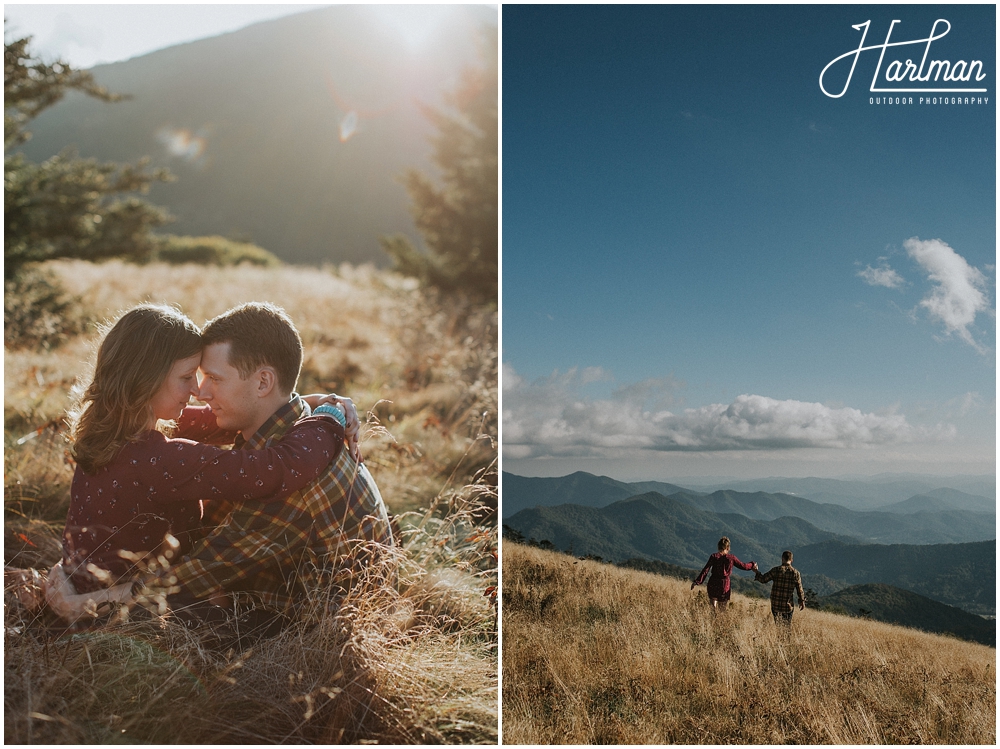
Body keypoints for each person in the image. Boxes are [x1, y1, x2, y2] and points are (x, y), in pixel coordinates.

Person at [48, 302, 393, 636]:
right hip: (234, 581)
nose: (200, 392)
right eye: (192, 377)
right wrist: (324, 408)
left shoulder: (294, 473)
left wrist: (83, 601)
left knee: (187, 612)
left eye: (213, 377)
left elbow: (190, 579)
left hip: (311, 628)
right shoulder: (285, 431)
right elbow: (226, 441)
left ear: (262, 383)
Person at [691, 536, 755, 613]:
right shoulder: (731, 558)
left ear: (718, 547)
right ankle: (720, 623)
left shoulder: (714, 556)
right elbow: (743, 566)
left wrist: (697, 581)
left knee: (712, 608)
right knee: (722, 610)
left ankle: (712, 622)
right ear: (728, 548)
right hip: (724, 585)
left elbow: (706, 570)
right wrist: (752, 564)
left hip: (713, 582)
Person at [755, 550, 805, 626]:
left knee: (778, 626)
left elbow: (763, 579)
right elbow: (799, 589)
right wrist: (802, 601)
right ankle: (784, 637)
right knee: (786, 627)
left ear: (782, 558)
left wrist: (756, 571)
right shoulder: (795, 573)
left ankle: (779, 637)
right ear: (792, 560)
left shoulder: (776, 570)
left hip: (776, 605)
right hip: (788, 606)